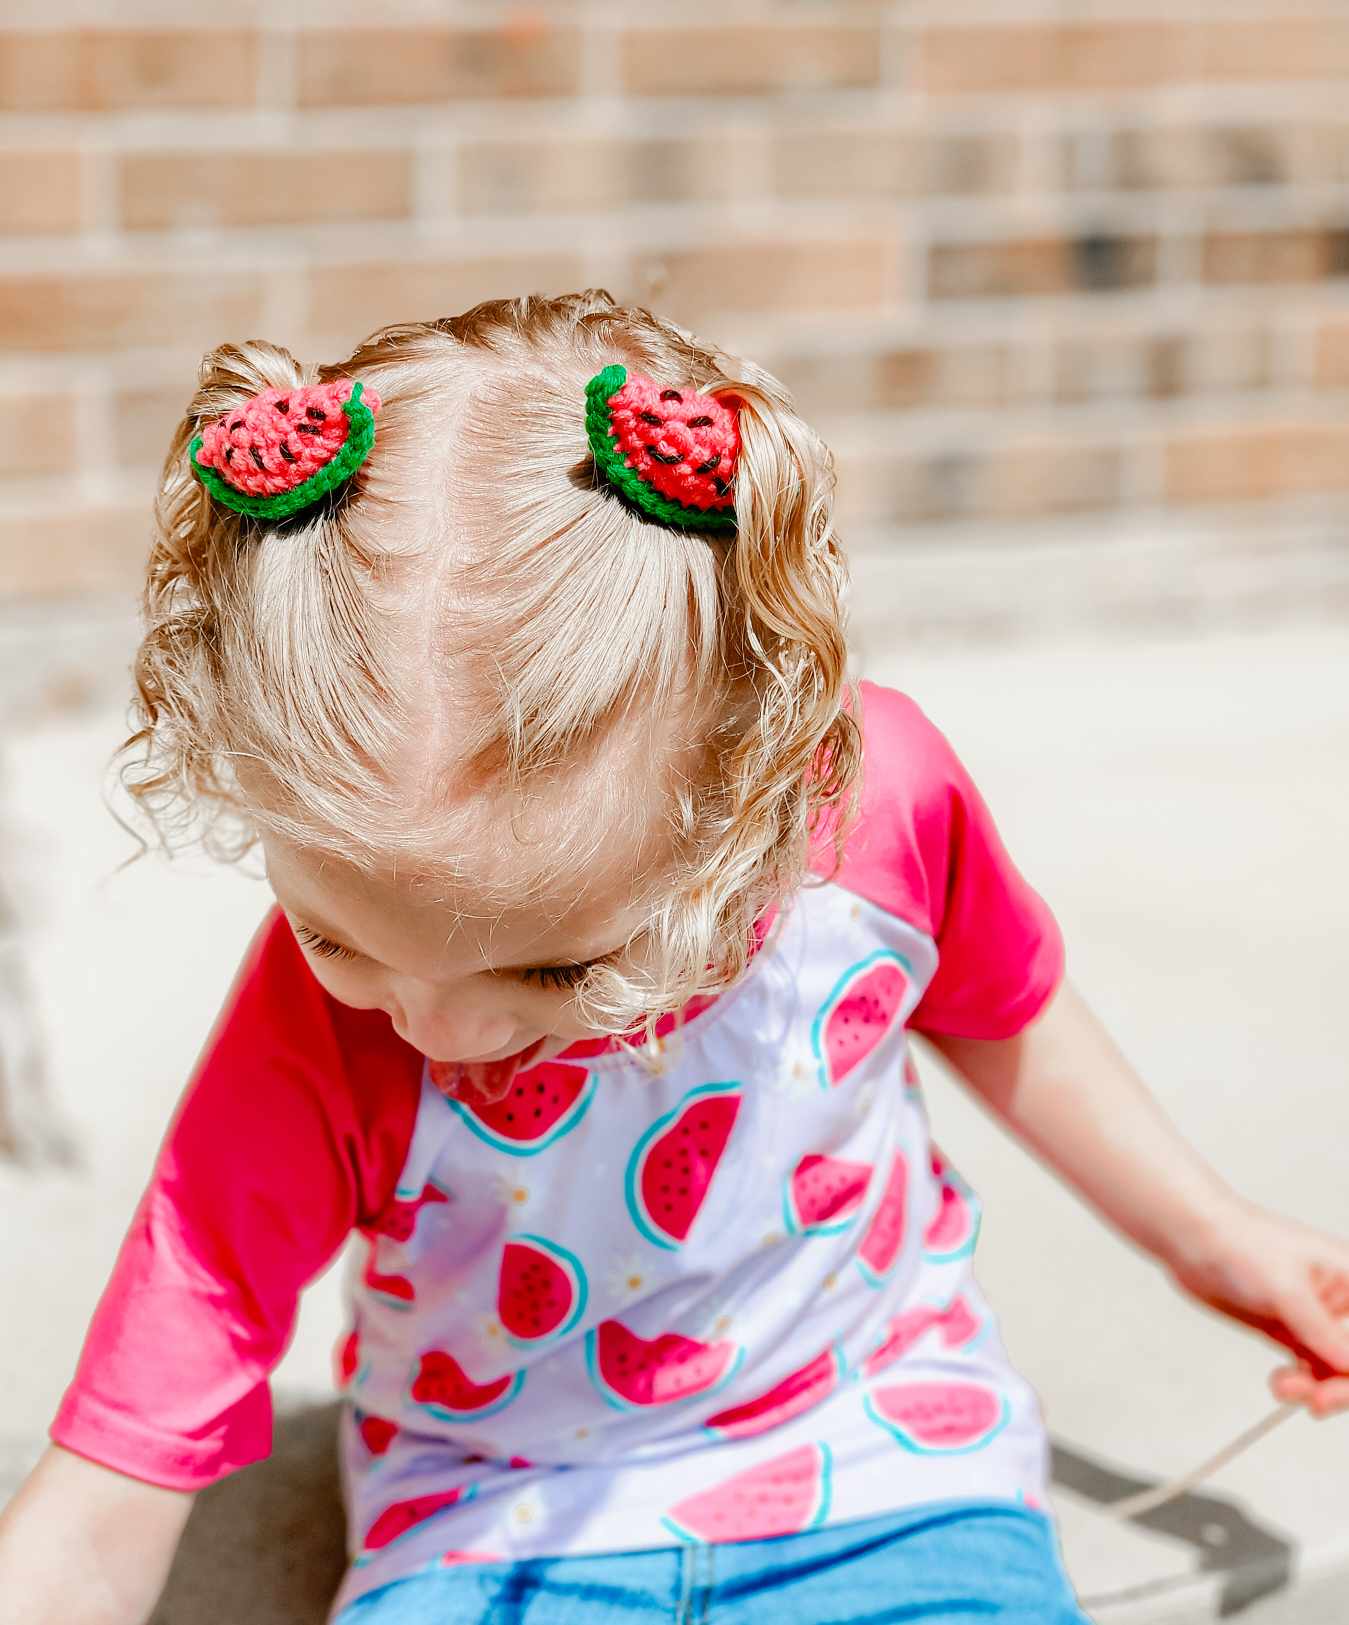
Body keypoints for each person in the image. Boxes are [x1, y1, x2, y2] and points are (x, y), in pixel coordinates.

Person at [1, 290, 1345, 1625]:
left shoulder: (878, 814)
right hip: (484, 1509)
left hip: (883, 1451)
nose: (439, 1032)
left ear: (758, 798)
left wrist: (1209, 1235)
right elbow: (122, 1456)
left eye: (552, 973)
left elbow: (996, 1005)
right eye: (337, 935)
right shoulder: (319, 1026)